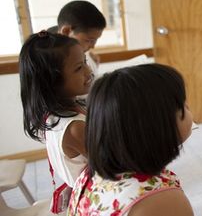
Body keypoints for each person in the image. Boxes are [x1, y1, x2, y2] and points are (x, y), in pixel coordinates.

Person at [68, 64, 194, 216]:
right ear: (156, 125)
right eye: (181, 104)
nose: (187, 106)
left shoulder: (90, 174)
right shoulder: (160, 201)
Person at [20, 31, 92, 187]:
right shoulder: (75, 128)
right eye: (79, 68)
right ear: (52, 80)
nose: (89, 71)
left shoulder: (54, 114)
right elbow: (114, 163)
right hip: (91, 197)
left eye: (85, 62)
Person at [47, 0, 106, 76]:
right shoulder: (47, 61)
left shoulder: (81, 50)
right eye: (89, 40)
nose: (93, 46)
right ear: (66, 31)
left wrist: (94, 66)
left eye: (95, 40)